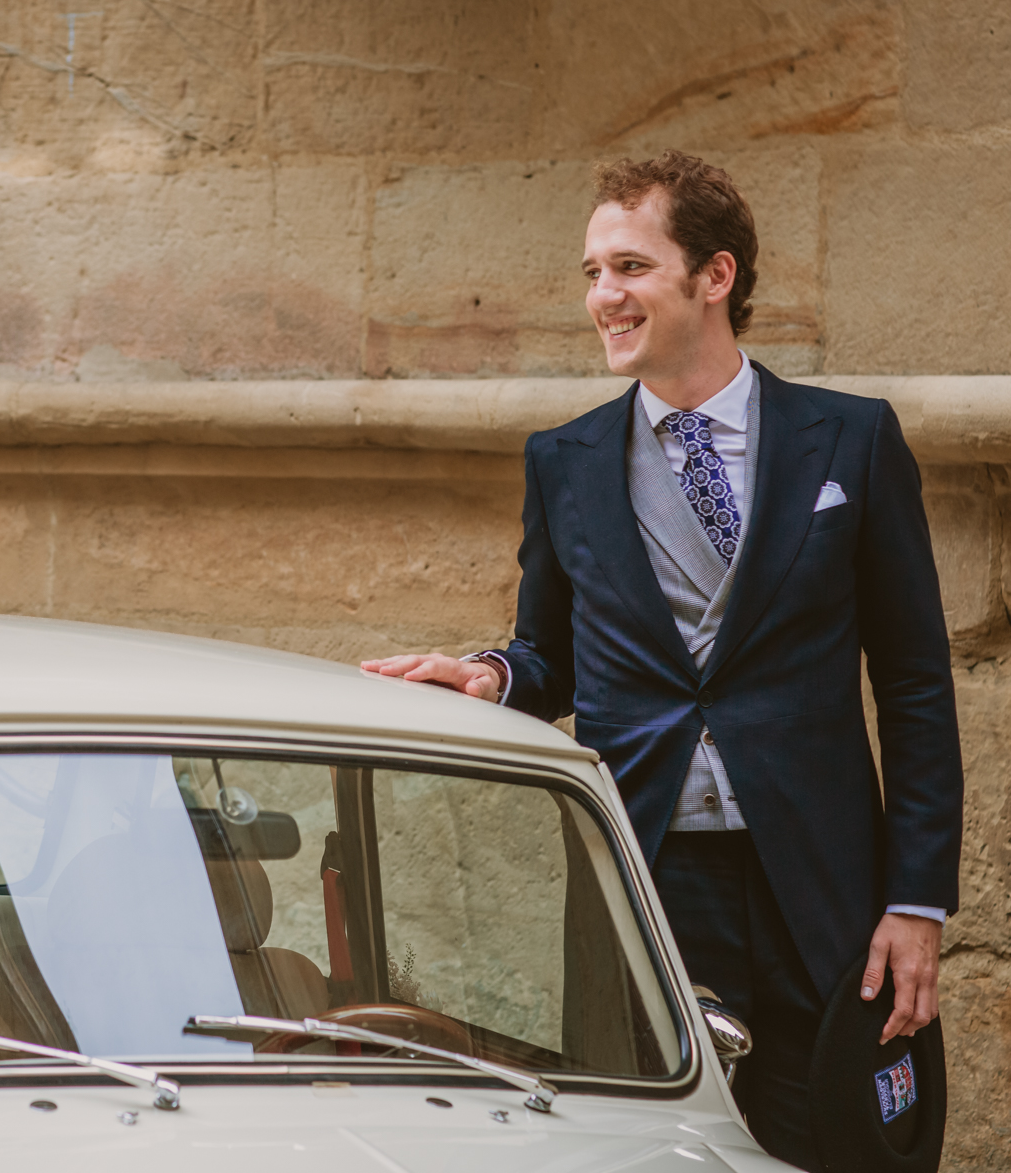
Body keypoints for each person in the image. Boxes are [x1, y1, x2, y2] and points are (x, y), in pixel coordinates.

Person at [364, 152, 962, 1170]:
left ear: (713, 276)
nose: (603, 296)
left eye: (630, 267)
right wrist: (494, 677)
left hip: (820, 884)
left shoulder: (851, 442)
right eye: (593, 272)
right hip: (642, 873)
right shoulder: (566, 460)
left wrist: (917, 899)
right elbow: (550, 651)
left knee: (838, 1143)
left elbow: (912, 681)